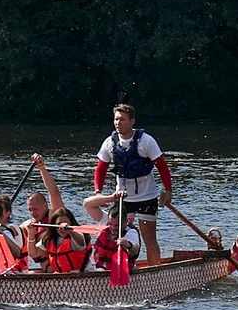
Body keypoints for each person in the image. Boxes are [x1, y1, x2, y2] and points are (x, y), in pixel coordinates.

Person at [91, 104, 173, 265]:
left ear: (132, 121)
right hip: (123, 199)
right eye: (116, 119)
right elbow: (101, 169)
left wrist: (168, 190)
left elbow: (162, 166)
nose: (118, 123)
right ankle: (124, 268)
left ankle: (154, 273)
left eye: (122, 119)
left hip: (147, 197)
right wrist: (98, 192)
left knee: (149, 239)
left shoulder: (146, 141)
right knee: (120, 236)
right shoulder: (110, 142)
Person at [28, 154, 91, 272]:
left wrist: (42, 168)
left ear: (44, 205)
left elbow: (54, 193)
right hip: (57, 276)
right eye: (30, 210)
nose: (32, 213)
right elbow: (34, 253)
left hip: (80, 277)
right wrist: (31, 234)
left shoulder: (59, 217)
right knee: (31, 273)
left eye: (35, 209)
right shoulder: (44, 231)